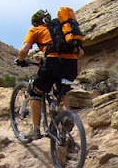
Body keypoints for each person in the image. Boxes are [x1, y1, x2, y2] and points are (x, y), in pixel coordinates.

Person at [15, 9, 84, 140]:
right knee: (62, 90)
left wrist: (21, 60)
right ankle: (67, 116)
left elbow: (24, 50)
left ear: (35, 22)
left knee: (36, 92)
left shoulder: (35, 30)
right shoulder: (63, 29)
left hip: (53, 62)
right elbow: (80, 53)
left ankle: (35, 130)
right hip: (71, 64)